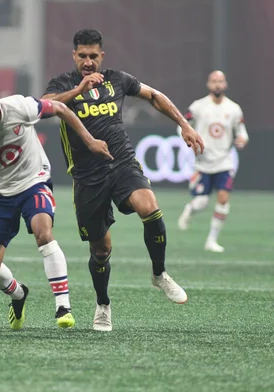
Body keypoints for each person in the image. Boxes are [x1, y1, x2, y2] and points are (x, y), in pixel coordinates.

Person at [41, 29, 204, 331]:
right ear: (73, 56)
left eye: (93, 56)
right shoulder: (62, 84)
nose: (88, 62)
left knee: (149, 206)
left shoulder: (118, 79)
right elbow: (45, 107)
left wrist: (184, 125)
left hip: (121, 163)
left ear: (101, 56)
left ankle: (159, 274)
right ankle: (103, 304)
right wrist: (78, 89)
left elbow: (154, 96)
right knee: (100, 251)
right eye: (82, 56)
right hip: (88, 177)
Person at [0, 77, 112, 330]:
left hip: (34, 182)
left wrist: (89, 140)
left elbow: (61, 109)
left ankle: (63, 306)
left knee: (43, 233)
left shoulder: (20, 107)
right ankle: (18, 295)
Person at [177, 71, 248, 253]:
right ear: (209, 85)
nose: (217, 84)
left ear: (225, 85)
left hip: (225, 161)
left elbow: (241, 131)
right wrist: (187, 139)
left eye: (220, 81)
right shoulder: (198, 107)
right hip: (203, 162)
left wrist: (242, 139)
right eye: (214, 81)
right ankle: (190, 209)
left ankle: (212, 240)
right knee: (201, 202)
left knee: (223, 199)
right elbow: (182, 126)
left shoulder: (234, 109)